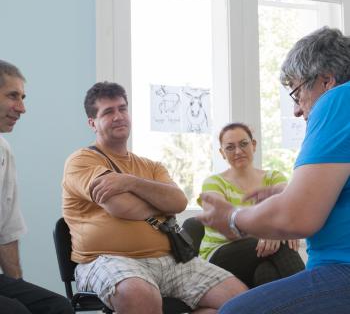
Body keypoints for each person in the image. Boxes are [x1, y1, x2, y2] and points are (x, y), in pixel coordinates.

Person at [197, 26, 350, 314]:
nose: (296, 110)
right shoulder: (215, 180)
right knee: (267, 277)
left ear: (327, 81)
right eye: (229, 147)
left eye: (296, 92)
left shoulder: (338, 100)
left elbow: (297, 217)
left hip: (343, 268)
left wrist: (232, 217)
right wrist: (289, 193)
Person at [62, 81, 248, 314]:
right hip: (107, 260)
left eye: (122, 108)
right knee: (139, 295)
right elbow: (122, 207)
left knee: (241, 301)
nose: (118, 116)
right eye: (108, 112)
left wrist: (130, 182)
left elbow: (178, 202)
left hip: (171, 261)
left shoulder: (150, 166)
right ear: (92, 123)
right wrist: (160, 204)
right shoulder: (82, 161)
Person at [0, 60, 73, 313]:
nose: (22, 108)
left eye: (22, 97)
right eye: (12, 96)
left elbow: (7, 230)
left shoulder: (3, 151)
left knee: (58, 308)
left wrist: (17, 289)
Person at [198, 122, 304, 288]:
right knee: (281, 245)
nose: (238, 151)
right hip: (218, 256)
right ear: (222, 153)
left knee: (266, 273)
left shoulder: (273, 177)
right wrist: (272, 231)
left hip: (258, 253)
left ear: (253, 145)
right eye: (230, 147)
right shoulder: (214, 182)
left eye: (243, 144)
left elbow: (289, 208)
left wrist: (277, 230)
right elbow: (226, 225)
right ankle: (317, 302)